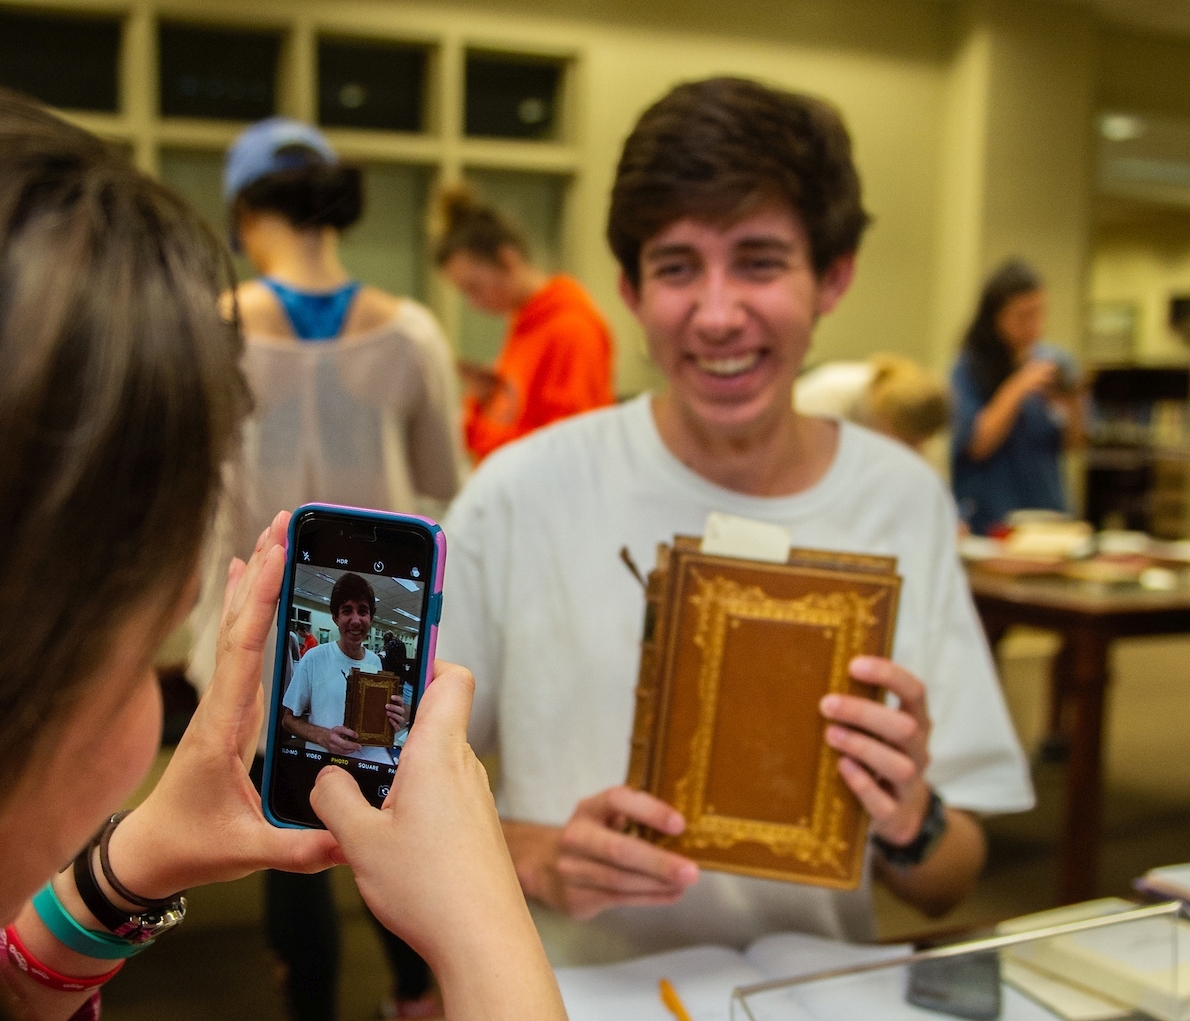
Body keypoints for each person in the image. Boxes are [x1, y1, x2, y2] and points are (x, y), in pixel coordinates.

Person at [0, 66, 566, 1021]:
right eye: (133, 650)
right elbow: (441, 481)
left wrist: (126, 872)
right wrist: (486, 937)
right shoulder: (412, 330)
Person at [437, 76, 1033, 966]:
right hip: (572, 992)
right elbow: (407, 789)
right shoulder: (521, 491)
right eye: (677, 267)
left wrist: (910, 816)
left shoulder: (899, 499)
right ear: (631, 292)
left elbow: (948, 878)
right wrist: (535, 853)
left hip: (813, 991)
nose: (717, 315)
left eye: (758, 261)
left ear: (832, 277)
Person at [192, 117, 461, 1021]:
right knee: (386, 799)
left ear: (244, 211)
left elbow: (198, 495)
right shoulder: (412, 331)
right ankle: (417, 995)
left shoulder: (215, 331)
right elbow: (440, 485)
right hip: (375, 612)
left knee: (281, 815)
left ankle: (307, 1005)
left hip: (258, 618)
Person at [433, 184, 616, 462]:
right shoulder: (525, 321)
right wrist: (486, 399)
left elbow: (567, 450)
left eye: (475, 287)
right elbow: (516, 418)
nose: (473, 303)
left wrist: (484, 433)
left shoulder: (571, 329)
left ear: (508, 260)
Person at [950, 260, 1084, 534]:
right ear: (995, 317)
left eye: (1039, 314)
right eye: (1023, 316)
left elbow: (1075, 444)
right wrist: (1017, 387)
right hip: (990, 518)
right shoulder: (968, 369)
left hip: (1047, 515)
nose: (1034, 326)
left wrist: (1071, 404)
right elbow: (977, 444)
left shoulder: (1057, 363)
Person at [281, 573, 409, 763]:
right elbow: (288, 720)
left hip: (366, 762)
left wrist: (391, 719)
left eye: (363, 611)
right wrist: (324, 737)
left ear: (371, 618)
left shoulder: (375, 661)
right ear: (335, 618)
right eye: (347, 611)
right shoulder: (314, 657)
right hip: (325, 765)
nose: (356, 620)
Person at [793, 353, 951, 452]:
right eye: (911, 441)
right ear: (889, 418)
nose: (917, 449)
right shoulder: (825, 399)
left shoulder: (884, 397)